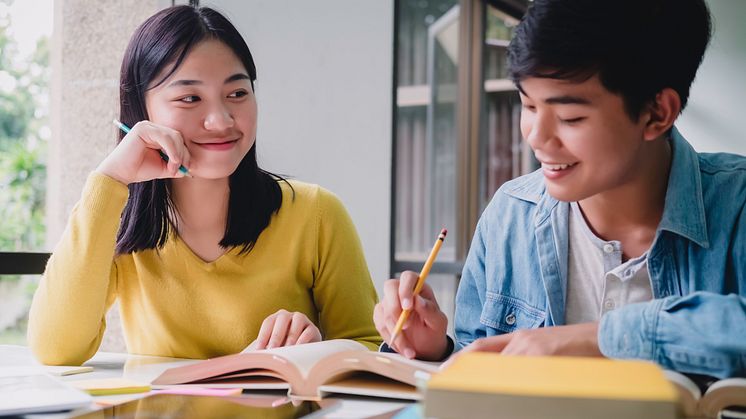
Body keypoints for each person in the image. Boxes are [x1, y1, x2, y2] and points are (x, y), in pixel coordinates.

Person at [375, 0, 746, 378]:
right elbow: (482, 373)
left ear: (657, 113)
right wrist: (435, 350)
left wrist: (601, 340)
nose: (536, 138)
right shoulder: (509, 214)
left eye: (570, 117)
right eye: (528, 105)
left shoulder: (737, 206)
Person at [28, 5, 381, 365]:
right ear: (141, 113)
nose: (221, 120)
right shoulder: (117, 224)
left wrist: (319, 349)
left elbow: (370, 347)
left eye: (238, 94)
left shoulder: (317, 214)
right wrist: (110, 179)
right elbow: (55, 349)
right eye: (190, 98)